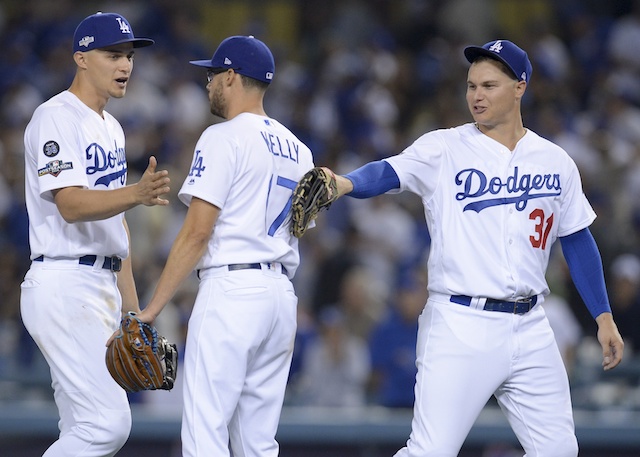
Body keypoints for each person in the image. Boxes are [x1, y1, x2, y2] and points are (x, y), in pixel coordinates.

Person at [307, 39, 624, 456]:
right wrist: (345, 183)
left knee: (560, 451)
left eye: (489, 85)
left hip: (531, 325)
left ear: (520, 87)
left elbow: (578, 240)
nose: (476, 95)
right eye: (472, 86)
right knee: (430, 451)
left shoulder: (555, 161)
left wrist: (603, 316)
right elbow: (389, 172)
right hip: (460, 323)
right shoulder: (444, 147)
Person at [131, 36, 315, 456]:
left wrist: (152, 309)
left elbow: (197, 233)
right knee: (257, 442)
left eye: (213, 74)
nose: (208, 82)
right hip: (280, 296)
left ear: (231, 76)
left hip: (232, 292)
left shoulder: (223, 136)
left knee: (205, 432)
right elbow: (303, 226)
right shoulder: (300, 150)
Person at [20, 12, 170, 457]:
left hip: (100, 284)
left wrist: (133, 312)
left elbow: (115, 229)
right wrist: (138, 192)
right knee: (107, 424)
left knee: (81, 428)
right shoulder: (55, 116)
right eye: (112, 55)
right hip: (64, 280)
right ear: (81, 58)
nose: (125, 64)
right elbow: (70, 204)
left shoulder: (112, 127)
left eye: (128, 55)